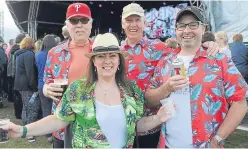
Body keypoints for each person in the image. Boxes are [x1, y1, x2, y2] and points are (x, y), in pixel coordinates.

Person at [3, 33, 171, 148]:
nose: (107, 61)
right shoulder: (79, 89)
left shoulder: (132, 90)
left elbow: (136, 124)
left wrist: (158, 118)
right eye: (101, 56)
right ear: (93, 62)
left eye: (112, 55)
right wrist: (23, 130)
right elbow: (58, 120)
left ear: (119, 61)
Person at [145, 6, 248, 148]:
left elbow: (240, 103)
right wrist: (165, 88)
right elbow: (149, 100)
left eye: (193, 25)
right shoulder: (165, 63)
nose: (186, 30)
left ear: (203, 29)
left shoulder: (219, 60)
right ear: (176, 30)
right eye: (181, 26)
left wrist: (217, 138)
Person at [120, 3, 220, 148]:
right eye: (129, 20)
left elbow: (186, 50)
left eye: (137, 20)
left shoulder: (159, 48)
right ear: (122, 23)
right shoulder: (116, 53)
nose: (133, 24)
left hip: (152, 126)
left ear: (145, 22)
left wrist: (209, 44)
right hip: (125, 126)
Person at [42, 3, 94, 148]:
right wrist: (46, 89)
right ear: (67, 25)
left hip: (94, 126)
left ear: (90, 24)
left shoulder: (101, 52)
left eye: (84, 20)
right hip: (62, 125)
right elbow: (47, 82)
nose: (79, 25)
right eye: (74, 21)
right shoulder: (54, 53)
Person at [14, 37, 40, 143]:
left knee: (26, 107)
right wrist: (34, 88)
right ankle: (29, 134)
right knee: (33, 109)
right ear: (31, 44)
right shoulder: (29, 54)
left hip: (21, 86)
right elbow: (30, 73)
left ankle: (25, 129)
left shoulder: (20, 54)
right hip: (27, 86)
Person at [35, 35, 57, 143]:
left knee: (46, 110)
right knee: (57, 110)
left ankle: (48, 135)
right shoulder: (56, 55)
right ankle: (57, 132)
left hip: (41, 85)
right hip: (55, 86)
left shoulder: (38, 55)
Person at [7, 33, 26, 116]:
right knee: (20, 95)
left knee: (16, 94)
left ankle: (17, 113)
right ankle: (19, 113)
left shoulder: (12, 49)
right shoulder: (20, 50)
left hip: (12, 73)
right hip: (18, 74)